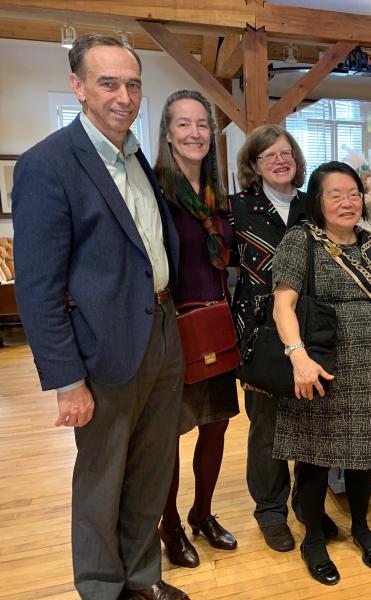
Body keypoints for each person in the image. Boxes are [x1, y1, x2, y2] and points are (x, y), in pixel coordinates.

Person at [12, 34, 188, 599]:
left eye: (133, 84)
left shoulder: (138, 159)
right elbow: (37, 289)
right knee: (101, 480)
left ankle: (141, 578)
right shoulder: (48, 165)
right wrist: (67, 381)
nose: (123, 95)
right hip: (102, 351)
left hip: (161, 335)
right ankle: (100, 588)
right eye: (108, 83)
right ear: (78, 87)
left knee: (149, 471)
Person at [272, 161, 371, 586]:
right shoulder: (299, 241)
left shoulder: (368, 243)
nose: (347, 202)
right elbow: (282, 305)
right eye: (335, 195)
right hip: (318, 362)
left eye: (354, 194)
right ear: (317, 201)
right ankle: (312, 539)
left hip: (366, 365)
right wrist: (298, 356)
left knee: (363, 450)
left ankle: (360, 526)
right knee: (314, 454)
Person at [229, 124, 339, 552]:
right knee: (268, 426)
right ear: (254, 166)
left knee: (312, 422)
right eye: (269, 155)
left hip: (313, 326)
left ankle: (307, 506)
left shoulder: (314, 205)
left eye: (286, 152)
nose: (280, 160)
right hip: (261, 332)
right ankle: (270, 511)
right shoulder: (239, 208)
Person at [153, 90, 239, 568]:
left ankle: (202, 514)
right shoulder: (156, 191)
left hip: (218, 327)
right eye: (183, 124)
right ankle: (169, 527)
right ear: (168, 132)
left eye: (202, 124)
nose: (194, 133)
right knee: (169, 435)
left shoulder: (217, 195)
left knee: (217, 426)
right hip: (173, 330)